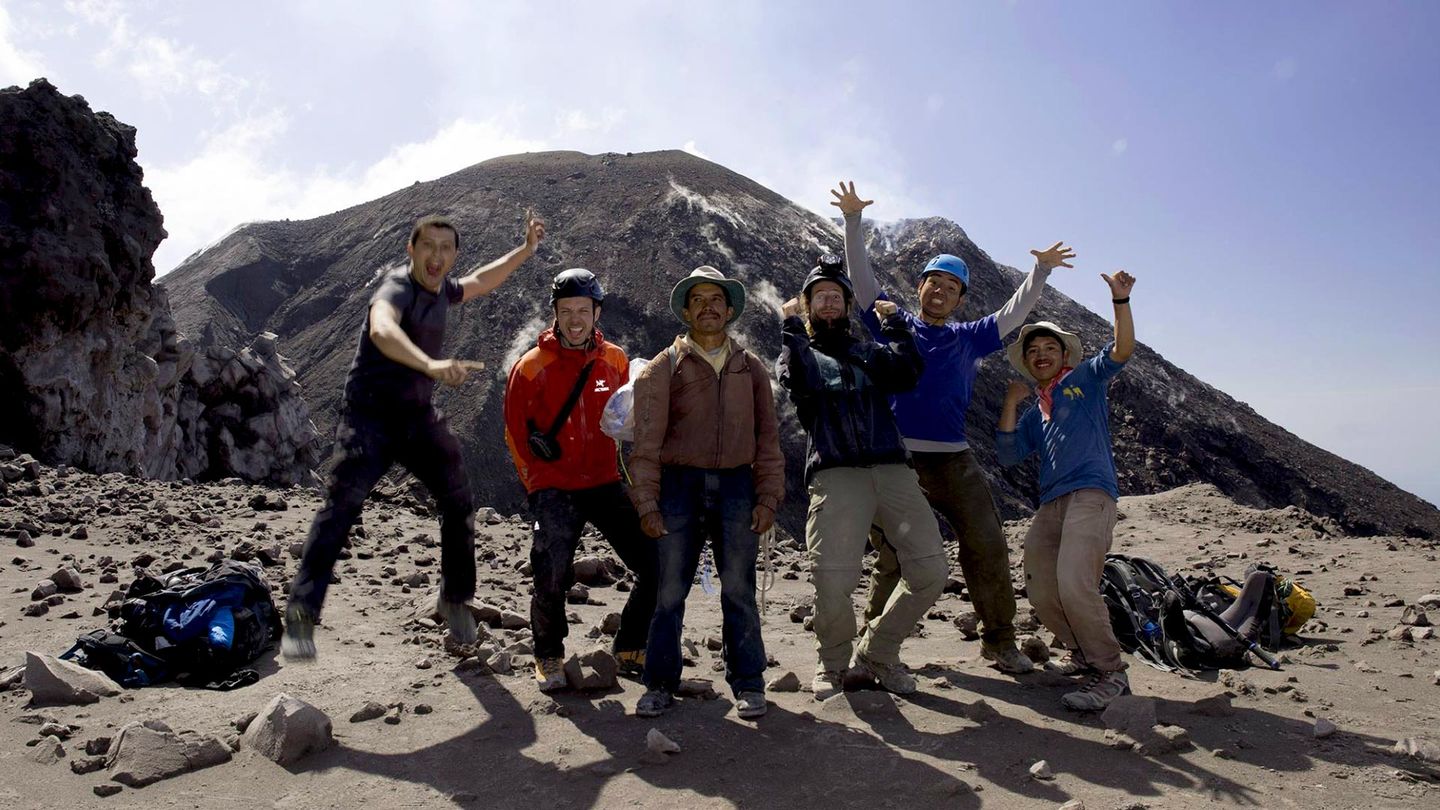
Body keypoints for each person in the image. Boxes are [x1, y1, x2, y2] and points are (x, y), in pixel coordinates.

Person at [831, 180, 1075, 676]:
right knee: (895, 556)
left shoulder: (971, 337)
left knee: (986, 541)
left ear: (960, 298)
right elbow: (863, 283)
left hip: (953, 459)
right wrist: (853, 221)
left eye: (951, 286)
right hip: (896, 458)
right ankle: (875, 645)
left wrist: (1041, 271)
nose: (940, 291)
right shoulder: (894, 322)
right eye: (933, 282)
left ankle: (999, 640)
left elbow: (1013, 314)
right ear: (920, 287)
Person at [282, 212, 545, 660]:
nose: (436, 256)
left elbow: (481, 281)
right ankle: (301, 615)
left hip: (417, 417)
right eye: (428, 246)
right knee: (340, 507)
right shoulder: (396, 287)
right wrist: (430, 364)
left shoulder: (444, 288)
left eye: (446, 249)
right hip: (368, 416)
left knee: (458, 497)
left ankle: (455, 598)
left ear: (454, 255)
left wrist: (525, 250)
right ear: (411, 250)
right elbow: (382, 328)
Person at [777, 257, 948, 698]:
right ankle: (833, 664)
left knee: (931, 569)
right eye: (820, 296)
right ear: (807, 306)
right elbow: (801, 381)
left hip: (892, 468)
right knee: (832, 578)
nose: (829, 302)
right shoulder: (799, 351)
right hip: (836, 474)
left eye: (836, 295)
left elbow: (908, 373)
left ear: (848, 305)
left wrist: (895, 328)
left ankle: (878, 652)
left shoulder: (870, 351)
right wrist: (792, 329)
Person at [627, 266, 784, 719]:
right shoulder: (664, 366)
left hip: (738, 484)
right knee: (669, 591)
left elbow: (768, 439)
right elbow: (646, 444)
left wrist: (768, 496)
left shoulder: (750, 368)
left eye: (716, 299)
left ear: (729, 310)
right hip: (679, 485)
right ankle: (659, 683)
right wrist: (647, 503)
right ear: (686, 311)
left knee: (738, 588)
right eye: (698, 300)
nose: (708, 307)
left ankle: (749, 682)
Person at [504, 268, 658, 691]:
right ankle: (548, 654)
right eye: (567, 310)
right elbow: (515, 433)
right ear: (555, 313)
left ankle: (629, 646)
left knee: (655, 564)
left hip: (605, 481)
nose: (575, 319)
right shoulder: (530, 367)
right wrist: (536, 486)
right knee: (550, 573)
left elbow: (627, 414)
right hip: (554, 486)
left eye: (583, 310)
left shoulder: (615, 359)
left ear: (596, 313)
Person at [995, 269, 1137, 710]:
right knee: (1040, 588)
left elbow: (1121, 351)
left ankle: (1111, 673)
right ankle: (1082, 653)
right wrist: (1011, 402)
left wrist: (1120, 301)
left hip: (1091, 492)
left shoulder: (1085, 379)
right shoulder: (1036, 412)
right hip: (1051, 502)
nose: (1041, 355)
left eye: (1049, 348)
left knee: (1075, 583)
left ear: (1064, 354)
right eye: (1033, 351)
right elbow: (1008, 454)